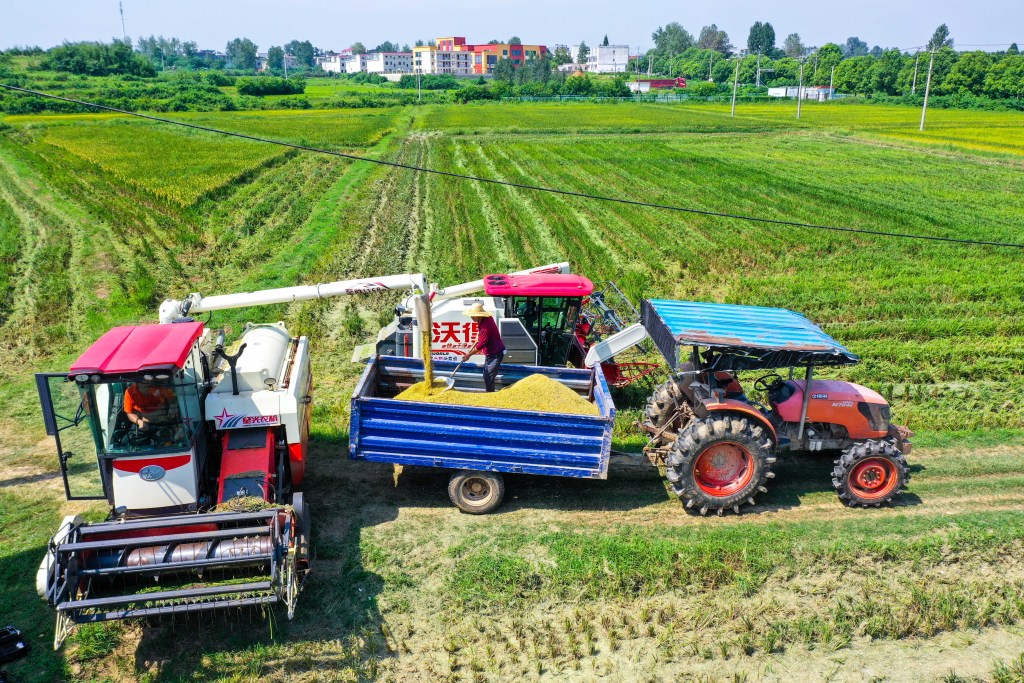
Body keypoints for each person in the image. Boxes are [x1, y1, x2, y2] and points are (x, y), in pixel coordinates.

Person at [462, 303, 505, 393]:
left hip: (495, 353)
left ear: (479, 315)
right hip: (491, 352)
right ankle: (489, 392)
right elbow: (481, 336)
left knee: (488, 376)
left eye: (473, 316)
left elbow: (481, 345)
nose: (472, 318)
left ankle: (490, 395)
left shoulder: (485, 326)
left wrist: (469, 355)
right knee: (487, 374)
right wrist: (479, 337)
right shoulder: (485, 319)